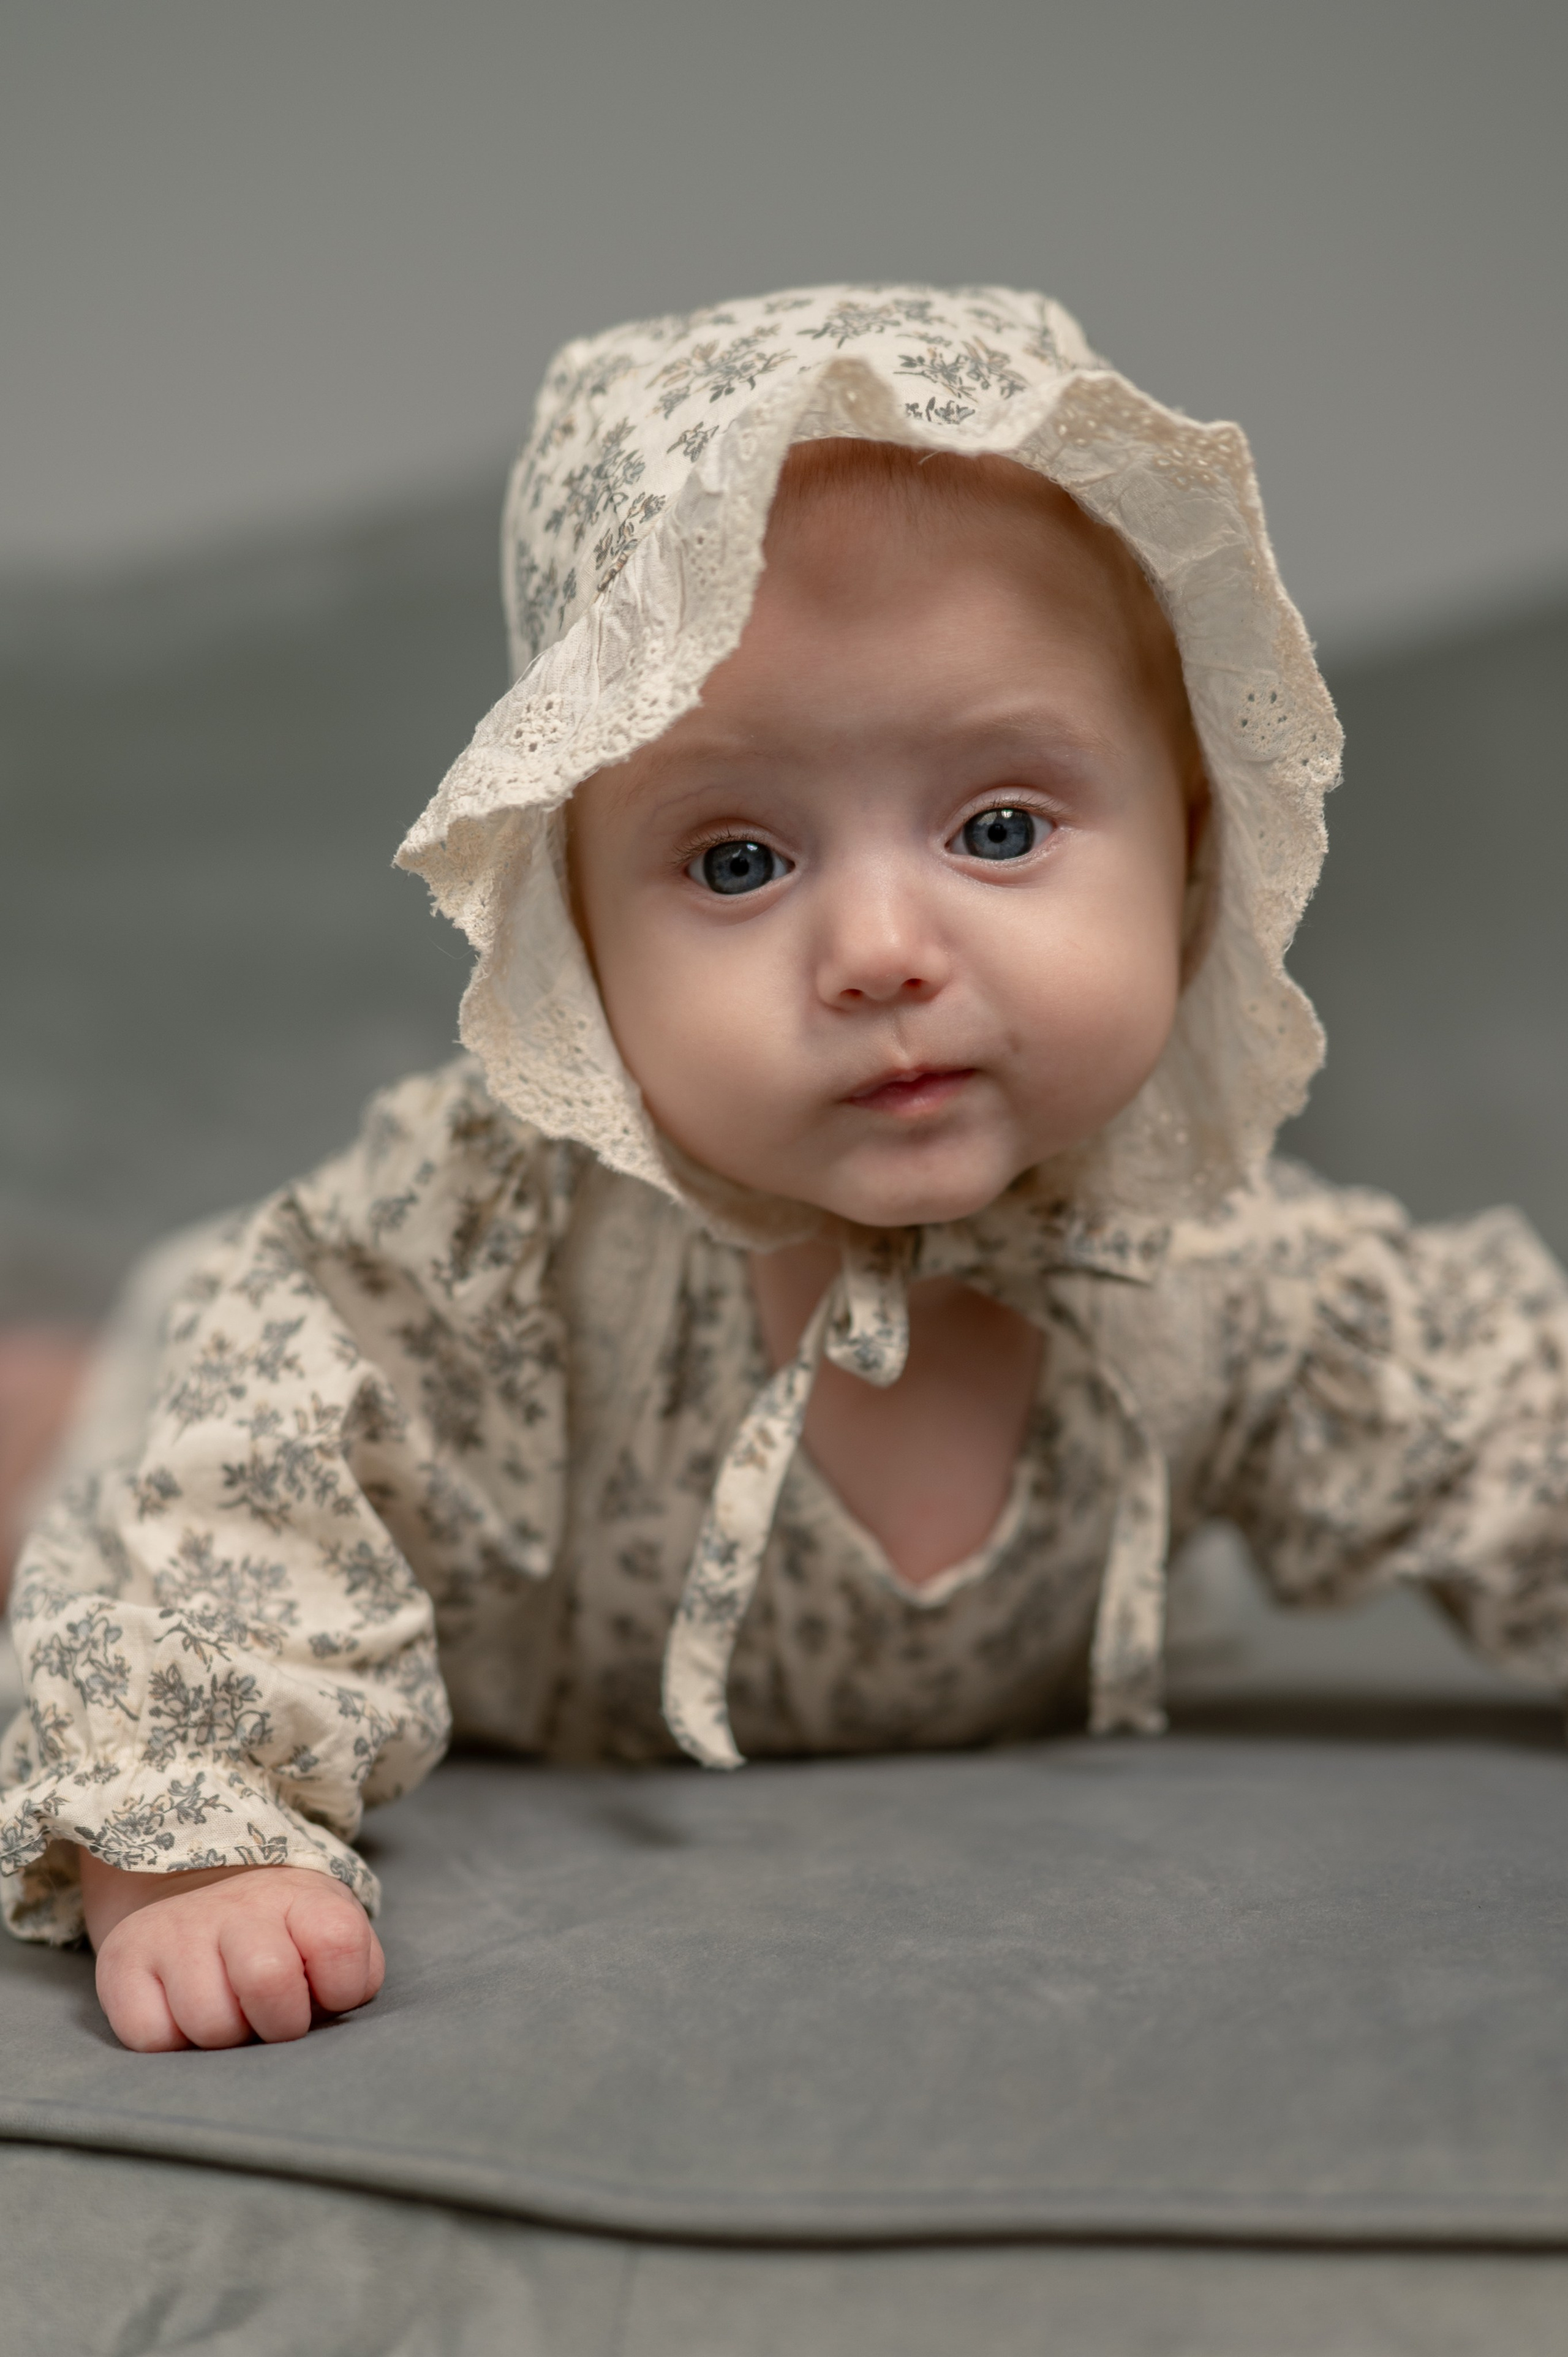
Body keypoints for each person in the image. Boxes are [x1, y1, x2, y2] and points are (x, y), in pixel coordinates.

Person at [4, 284, 1566, 2053]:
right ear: (572, 933)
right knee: (73, 1458)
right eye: (740, 860)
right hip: (228, 1422)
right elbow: (232, 1496)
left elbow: (1502, 1425)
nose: (883, 949)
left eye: (997, 828)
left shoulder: (1218, 1267)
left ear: (1192, 851)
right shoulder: (472, 1252)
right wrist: (194, 1845)